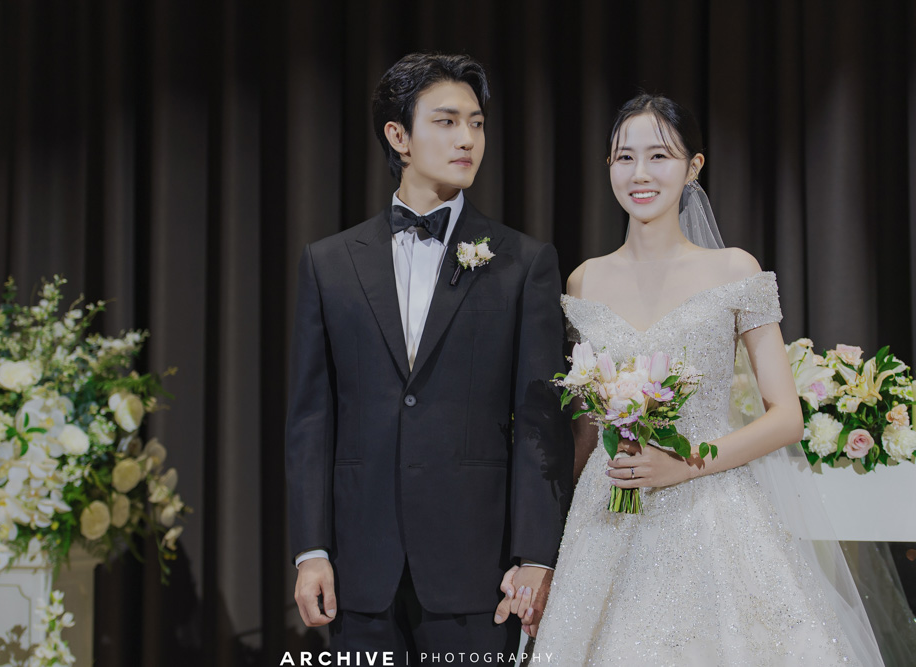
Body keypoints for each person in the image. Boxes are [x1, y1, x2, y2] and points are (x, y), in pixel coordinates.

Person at [529, 94, 884, 665]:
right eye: (624, 157)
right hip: (607, 513)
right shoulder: (584, 281)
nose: (640, 174)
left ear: (693, 166)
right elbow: (586, 434)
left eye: (659, 156)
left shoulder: (734, 270)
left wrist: (684, 463)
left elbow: (786, 417)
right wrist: (543, 547)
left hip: (712, 508)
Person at [285, 52, 572, 662]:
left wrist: (536, 555)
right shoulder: (328, 263)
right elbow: (311, 420)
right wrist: (312, 550)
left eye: (476, 123)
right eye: (446, 122)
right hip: (360, 569)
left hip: (478, 569)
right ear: (399, 136)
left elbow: (541, 422)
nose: (467, 139)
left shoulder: (523, 263)